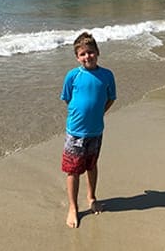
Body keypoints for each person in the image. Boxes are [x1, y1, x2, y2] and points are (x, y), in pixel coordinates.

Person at [60, 32, 117, 228]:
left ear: (97, 52)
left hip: (96, 132)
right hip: (75, 132)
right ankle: (73, 207)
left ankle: (92, 197)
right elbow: (67, 99)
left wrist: (98, 113)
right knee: (73, 171)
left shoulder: (107, 75)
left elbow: (111, 98)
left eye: (90, 52)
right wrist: (81, 114)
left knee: (91, 166)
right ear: (77, 57)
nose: (87, 57)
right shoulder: (73, 75)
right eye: (82, 54)